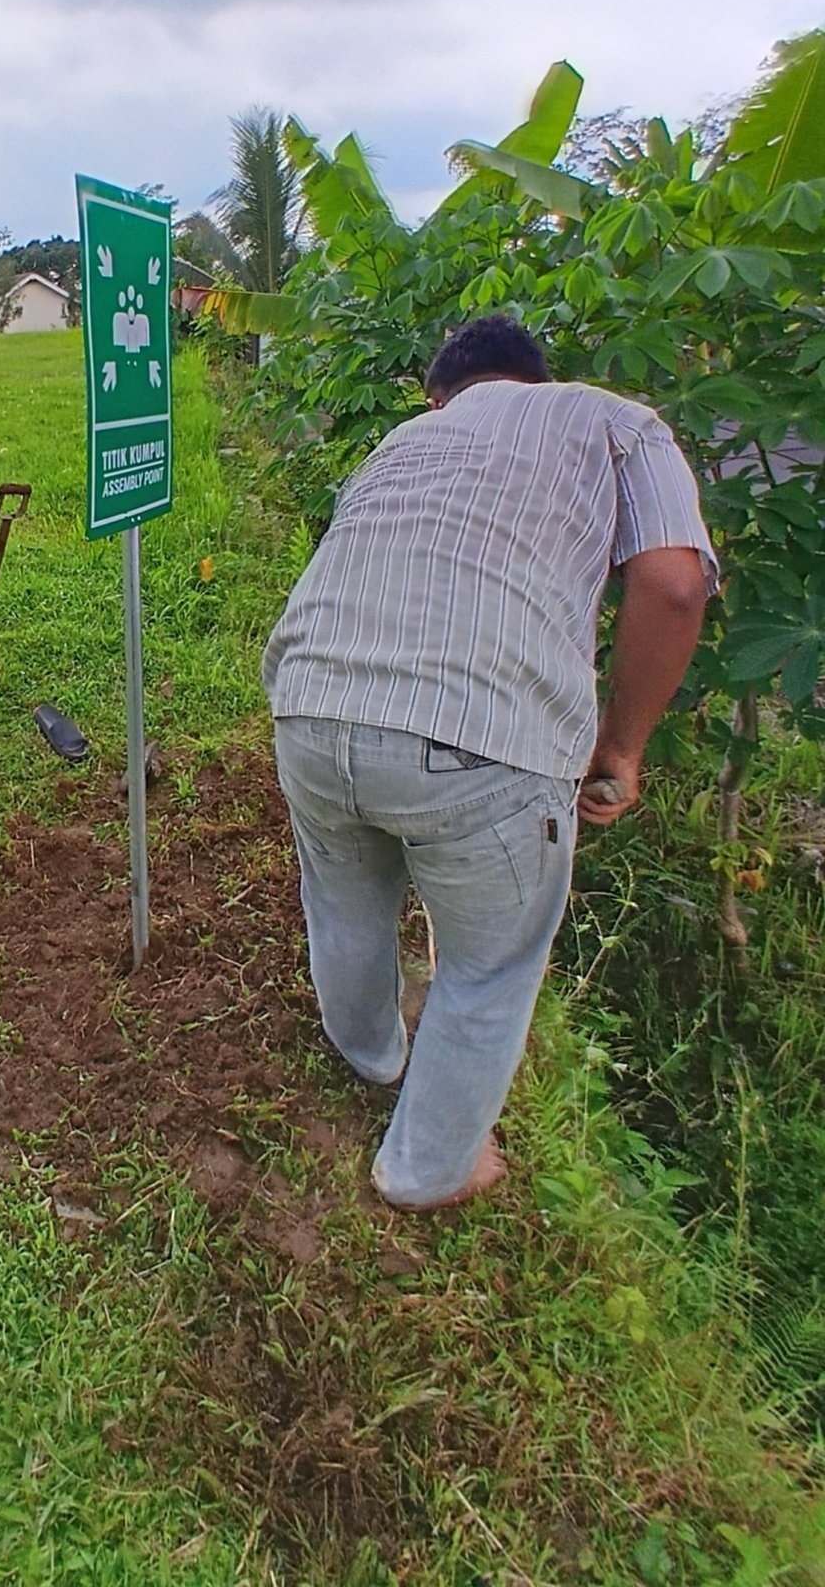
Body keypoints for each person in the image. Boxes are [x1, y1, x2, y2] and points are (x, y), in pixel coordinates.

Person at [263, 315, 715, 1210]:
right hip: (486, 736)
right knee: (489, 963)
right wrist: (621, 747)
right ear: (533, 379)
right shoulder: (615, 421)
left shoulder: (403, 438)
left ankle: (372, 1055)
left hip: (309, 701)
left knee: (345, 901)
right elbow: (673, 583)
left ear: (441, 396)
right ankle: (426, 1170)